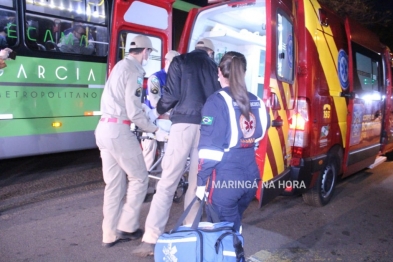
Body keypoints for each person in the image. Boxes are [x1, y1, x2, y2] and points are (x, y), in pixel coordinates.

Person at [132, 38, 221, 257]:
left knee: (168, 179)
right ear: (210, 52)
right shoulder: (214, 67)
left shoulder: (180, 61)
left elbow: (170, 95)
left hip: (182, 125)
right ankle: (190, 231)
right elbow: (220, 97)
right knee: (196, 181)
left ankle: (151, 238)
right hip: (206, 128)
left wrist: (156, 111)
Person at [95, 34, 166, 248]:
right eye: (149, 52)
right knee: (139, 178)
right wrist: (155, 130)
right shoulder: (135, 71)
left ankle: (109, 234)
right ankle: (127, 226)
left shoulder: (119, 66)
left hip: (103, 129)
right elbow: (134, 112)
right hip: (119, 130)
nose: (148, 56)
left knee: (114, 184)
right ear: (145, 51)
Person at [195, 51, 269, 232]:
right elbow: (259, 134)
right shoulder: (257, 100)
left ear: (219, 71)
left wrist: (200, 182)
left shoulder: (216, 102)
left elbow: (209, 151)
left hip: (225, 180)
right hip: (250, 177)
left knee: (222, 234)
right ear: (243, 72)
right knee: (234, 224)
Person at [142, 50, 180, 173]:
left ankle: (161, 186)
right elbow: (155, 102)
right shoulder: (156, 78)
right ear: (167, 62)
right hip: (152, 121)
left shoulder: (178, 80)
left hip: (169, 122)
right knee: (148, 153)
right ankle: (143, 185)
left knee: (169, 156)